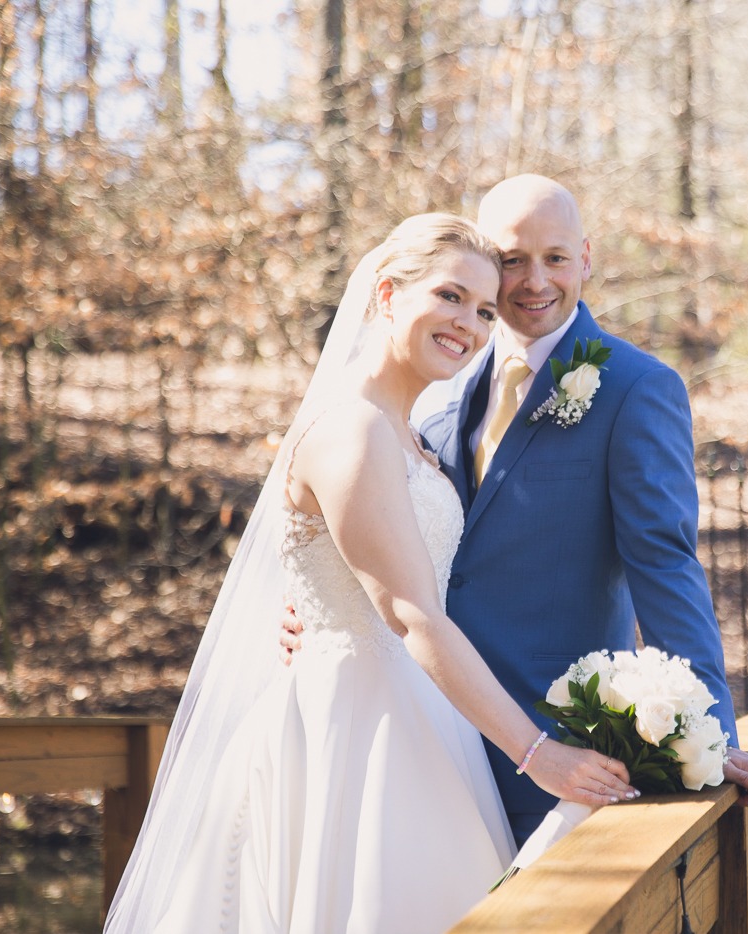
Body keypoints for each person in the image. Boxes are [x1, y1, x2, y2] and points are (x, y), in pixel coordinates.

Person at [104, 214, 637, 934]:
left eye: (484, 310)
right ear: (387, 293)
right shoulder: (351, 428)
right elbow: (411, 613)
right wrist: (539, 755)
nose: (470, 325)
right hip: (348, 737)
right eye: (449, 297)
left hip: (424, 719)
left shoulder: (416, 433)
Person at [283, 175, 748, 846]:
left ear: (587, 259)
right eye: (512, 260)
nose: (534, 280)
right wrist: (310, 608)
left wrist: (711, 739)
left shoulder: (637, 389)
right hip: (418, 737)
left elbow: (666, 566)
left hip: (561, 750)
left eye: (556, 258)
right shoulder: (435, 388)